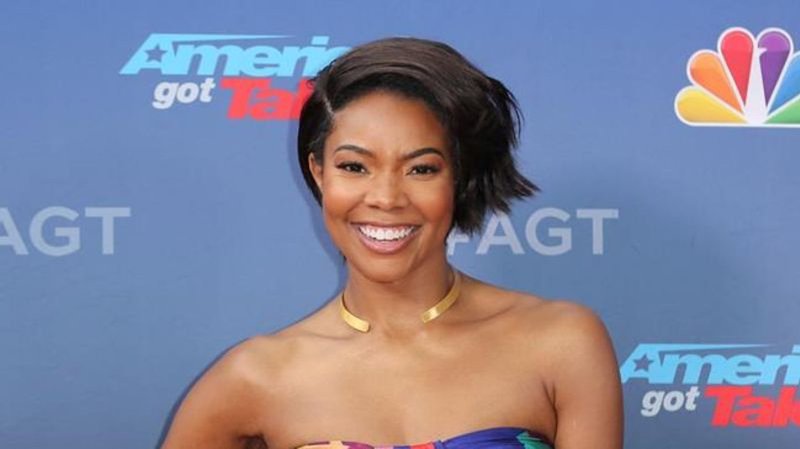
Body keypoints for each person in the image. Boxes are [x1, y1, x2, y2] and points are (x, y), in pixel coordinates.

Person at [159, 37, 623, 449]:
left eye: (421, 168)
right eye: (354, 167)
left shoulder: (562, 343)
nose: (385, 198)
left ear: (458, 178)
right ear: (319, 173)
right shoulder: (254, 377)